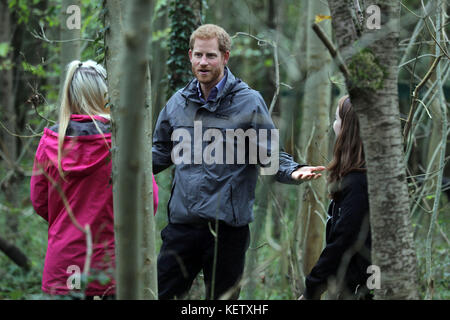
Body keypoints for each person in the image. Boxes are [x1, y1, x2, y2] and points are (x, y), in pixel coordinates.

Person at [153, 24, 325, 300]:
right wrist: (117, 168)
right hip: (182, 226)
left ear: (225, 57)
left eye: (210, 55)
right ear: (189, 56)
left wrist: (293, 170)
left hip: (227, 232)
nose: (203, 62)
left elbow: (269, 156)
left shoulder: (248, 102)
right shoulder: (178, 103)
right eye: (198, 55)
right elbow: (160, 151)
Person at [30, 60, 159, 299]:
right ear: (106, 94)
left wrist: (67, 221)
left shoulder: (50, 143)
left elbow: (40, 203)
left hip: (63, 266)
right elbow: (148, 203)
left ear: (70, 95)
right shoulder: (125, 143)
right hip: (112, 266)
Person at [300, 95, 372, 300]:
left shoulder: (358, 182)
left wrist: (311, 289)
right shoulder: (357, 176)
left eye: (337, 119)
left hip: (361, 288)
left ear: (348, 127)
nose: (333, 125)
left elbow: (343, 240)